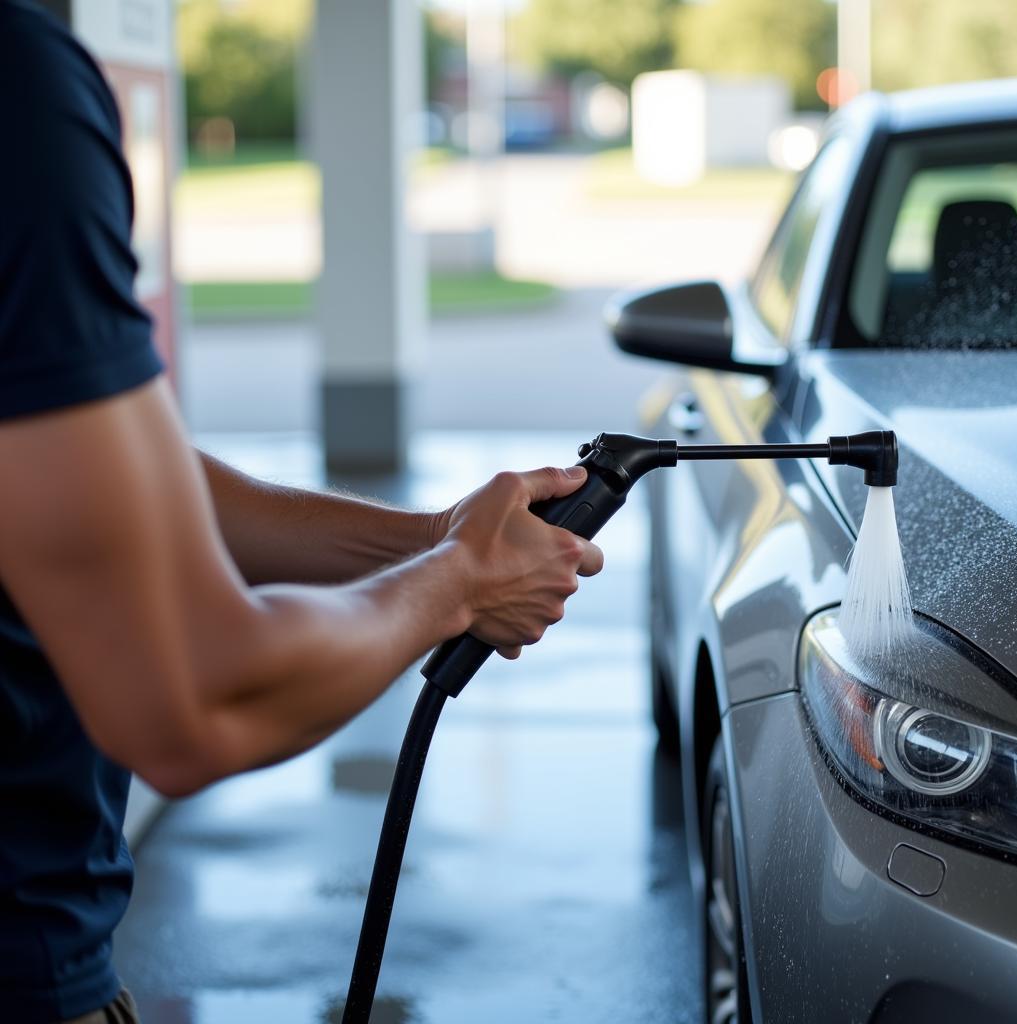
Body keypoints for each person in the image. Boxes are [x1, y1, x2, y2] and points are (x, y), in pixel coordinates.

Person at [0, 3, 604, 1022]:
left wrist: (435, 541)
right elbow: (195, 698)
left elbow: (108, 476)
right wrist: (453, 584)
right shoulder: (17, 92)